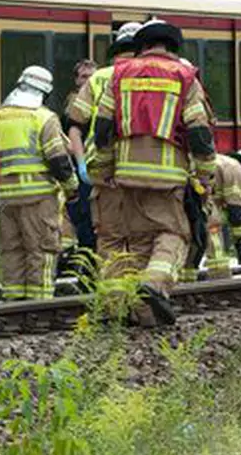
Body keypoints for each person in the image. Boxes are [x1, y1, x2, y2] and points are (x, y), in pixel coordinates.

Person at [94, 17, 218, 324]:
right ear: (174, 47)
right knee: (175, 234)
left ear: (142, 46)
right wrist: (205, 173)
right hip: (168, 175)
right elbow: (199, 132)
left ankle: (138, 314)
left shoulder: (120, 75)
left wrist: (105, 167)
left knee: (137, 242)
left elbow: (103, 128)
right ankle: (154, 284)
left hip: (125, 173)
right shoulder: (185, 77)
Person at [0, 66, 80, 300]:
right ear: (44, 92)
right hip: (39, 196)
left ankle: (14, 299)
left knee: (13, 250)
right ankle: (39, 305)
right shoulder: (44, 118)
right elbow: (58, 160)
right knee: (42, 250)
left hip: (7, 196)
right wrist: (72, 187)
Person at [66, 22, 143, 278]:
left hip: (100, 170)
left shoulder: (98, 78)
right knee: (141, 236)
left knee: (106, 236)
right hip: (144, 170)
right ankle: (137, 290)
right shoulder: (156, 75)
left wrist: (81, 165)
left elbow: (75, 127)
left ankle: (110, 291)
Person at [188, 152, 241, 280]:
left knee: (191, 243)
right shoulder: (237, 171)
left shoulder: (224, 163)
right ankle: (220, 277)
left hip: (185, 197)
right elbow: (235, 211)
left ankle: (185, 281)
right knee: (214, 233)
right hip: (201, 200)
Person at [63, 59, 101, 253]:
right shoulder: (74, 105)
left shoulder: (102, 101)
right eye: (84, 76)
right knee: (84, 216)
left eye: (92, 76)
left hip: (99, 166)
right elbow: (71, 136)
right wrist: (81, 164)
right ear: (77, 80)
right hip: (82, 167)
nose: (88, 80)